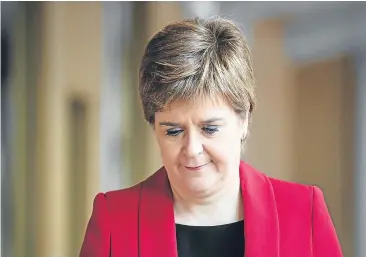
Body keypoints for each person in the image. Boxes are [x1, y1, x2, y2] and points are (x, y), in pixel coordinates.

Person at [79, 17, 343, 257]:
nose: (192, 149)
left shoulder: (302, 211)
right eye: (173, 131)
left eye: (209, 128)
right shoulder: (114, 219)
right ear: (153, 127)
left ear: (244, 120)